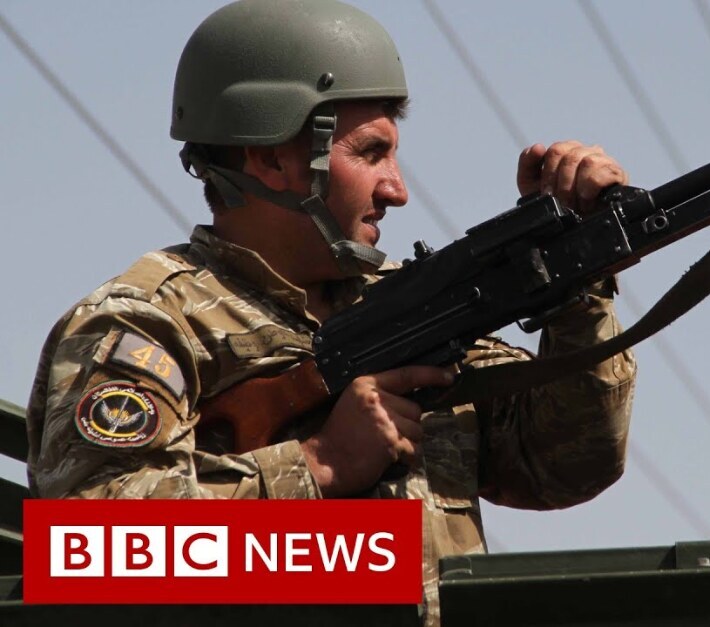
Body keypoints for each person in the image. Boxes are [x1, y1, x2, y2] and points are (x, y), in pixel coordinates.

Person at [24, 0, 636, 623]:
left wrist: (577, 282)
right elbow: (93, 553)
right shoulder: (146, 324)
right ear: (272, 158)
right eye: (370, 154)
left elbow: (567, 461)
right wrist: (318, 464)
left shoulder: (406, 304)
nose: (397, 189)